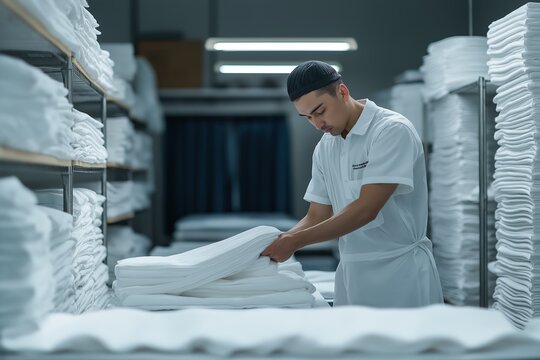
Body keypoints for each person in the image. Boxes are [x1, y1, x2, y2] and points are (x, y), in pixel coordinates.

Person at [261, 60, 443, 307]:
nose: (317, 124)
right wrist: (279, 241)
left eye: (320, 111)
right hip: (352, 272)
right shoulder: (326, 147)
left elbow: (366, 209)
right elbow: (317, 215)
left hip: (400, 273)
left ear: (342, 92)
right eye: (307, 118)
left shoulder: (390, 130)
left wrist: (296, 242)